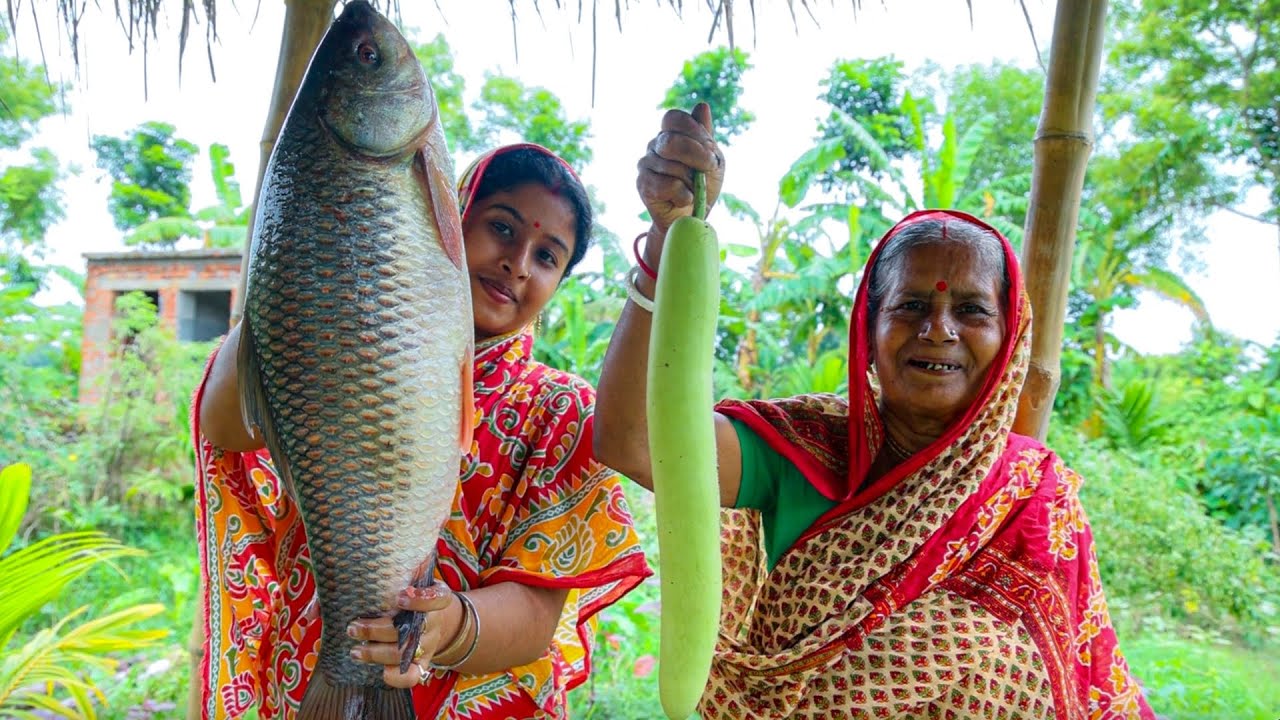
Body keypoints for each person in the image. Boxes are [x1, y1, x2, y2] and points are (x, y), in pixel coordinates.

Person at [594, 104, 1156, 719]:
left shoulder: (1033, 498)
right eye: (911, 305)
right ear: (869, 325)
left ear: (1009, 337)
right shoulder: (805, 448)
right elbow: (633, 441)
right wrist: (667, 247)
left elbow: (1079, 690)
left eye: (971, 311)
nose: (938, 330)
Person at [192, 143, 652, 719]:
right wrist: (303, 263)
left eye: (547, 256)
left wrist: (450, 627)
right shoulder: (347, 353)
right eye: (501, 227)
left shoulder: (559, 409)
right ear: (442, 220)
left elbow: (537, 615)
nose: (517, 262)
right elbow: (228, 426)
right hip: (310, 683)